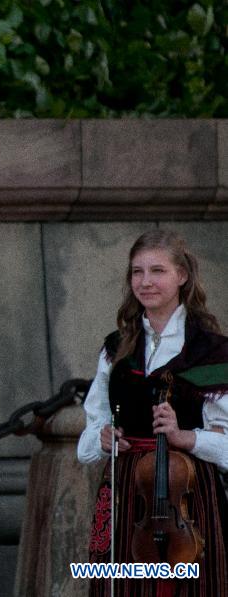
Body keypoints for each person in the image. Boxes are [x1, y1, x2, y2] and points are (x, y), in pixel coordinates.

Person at [77, 229, 228, 596]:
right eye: (137, 272)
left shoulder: (212, 351)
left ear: (182, 276)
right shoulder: (117, 348)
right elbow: (93, 424)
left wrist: (186, 437)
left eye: (157, 271)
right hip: (129, 491)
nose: (145, 282)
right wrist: (102, 437)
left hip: (188, 498)